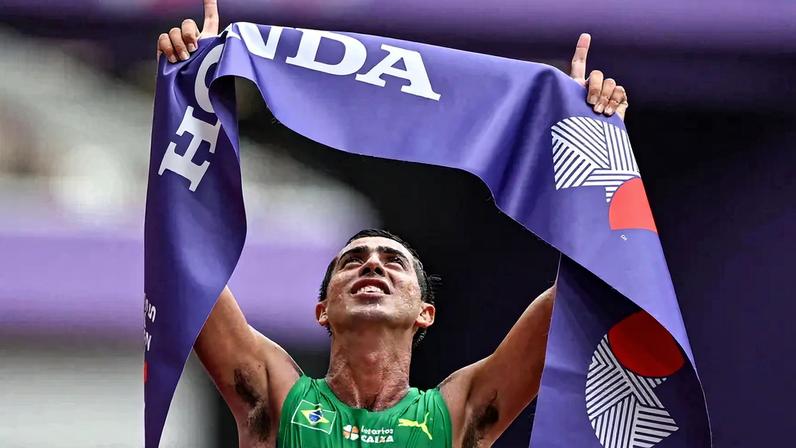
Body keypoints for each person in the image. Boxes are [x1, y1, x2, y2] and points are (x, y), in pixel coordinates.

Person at [157, 2, 629, 447]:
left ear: (425, 311)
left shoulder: (459, 412)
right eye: (353, 260)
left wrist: (588, 145)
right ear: (323, 310)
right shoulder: (274, 396)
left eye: (394, 262)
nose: (373, 266)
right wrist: (197, 91)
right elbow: (182, 254)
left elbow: (578, 291)